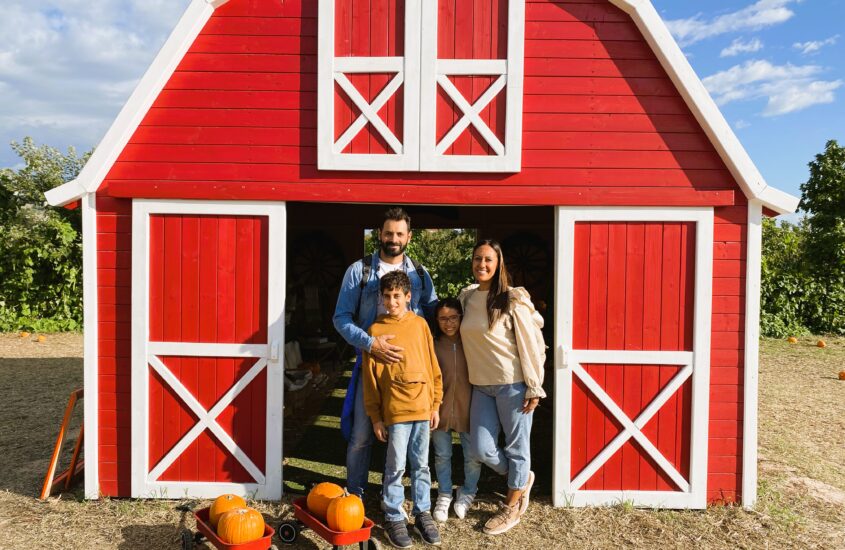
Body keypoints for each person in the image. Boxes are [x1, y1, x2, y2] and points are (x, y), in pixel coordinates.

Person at [333, 207, 438, 500]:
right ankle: (355, 494)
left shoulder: (418, 274)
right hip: (371, 364)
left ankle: (401, 498)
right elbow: (340, 318)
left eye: (399, 234)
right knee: (361, 436)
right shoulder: (360, 271)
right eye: (388, 233)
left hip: (408, 374)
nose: (394, 238)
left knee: (411, 440)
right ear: (379, 234)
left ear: (409, 237)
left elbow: (433, 312)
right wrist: (371, 343)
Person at [458, 239, 546, 535]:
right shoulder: (467, 296)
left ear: (498, 265)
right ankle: (521, 480)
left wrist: (534, 386)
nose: (481, 265)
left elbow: (531, 344)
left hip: (513, 385)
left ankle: (512, 507)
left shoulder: (512, 298)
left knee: (517, 446)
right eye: (477, 259)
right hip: (481, 385)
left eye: (488, 260)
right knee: (481, 448)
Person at [361, 271, 443, 548]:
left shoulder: (420, 325)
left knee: (421, 465)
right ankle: (394, 515)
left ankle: (422, 513)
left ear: (409, 297)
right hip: (395, 411)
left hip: (422, 408)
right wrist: (376, 417)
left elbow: (433, 367)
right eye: (387, 296)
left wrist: (435, 404)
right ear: (381, 298)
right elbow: (370, 381)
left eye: (397, 296)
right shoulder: (375, 332)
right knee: (395, 466)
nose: (392, 301)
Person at [429, 297, 481, 522]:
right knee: (442, 455)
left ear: (461, 317)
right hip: (439, 409)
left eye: (453, 318)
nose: (448, 323)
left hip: (469, 409)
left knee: (472, 456)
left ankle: (468, 491)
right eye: (443, 319)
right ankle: (444, 493)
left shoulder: (472, 341)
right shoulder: (432, 344)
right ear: (437, 320)